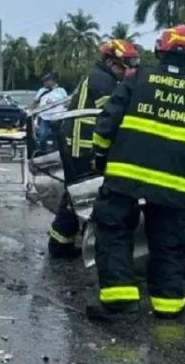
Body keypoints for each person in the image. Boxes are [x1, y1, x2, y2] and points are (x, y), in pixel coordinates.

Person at [86, 25, 185, 322]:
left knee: (113, 231)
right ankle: (168, 306)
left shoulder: (138, 80)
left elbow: (107, 124)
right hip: (174, 187)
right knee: (170, 242)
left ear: (160, 50)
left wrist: (99, 158)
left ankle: (118, 298)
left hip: (125, 177)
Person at [48, 39, 139, 259]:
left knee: (74, 193)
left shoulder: (102, 77)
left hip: (78, 144)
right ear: (110, 61)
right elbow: (112, 117)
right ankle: (63, 244)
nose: (125, 70)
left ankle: (61, 242)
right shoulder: (103, 81)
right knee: (81, 194)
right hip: (82, 147)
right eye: (122, 65)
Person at [30, 73, 69, 154]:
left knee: (58, 136)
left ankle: (57, 152)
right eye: (44, 81)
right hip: (45, 117)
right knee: (42, 136)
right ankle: (43, 151)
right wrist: (31, 111)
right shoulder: (42, 91)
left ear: (53, 81)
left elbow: (67, 102)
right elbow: (35, 102)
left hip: (57, 118)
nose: (45, 83)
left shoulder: (61, 91)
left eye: (47, 81)